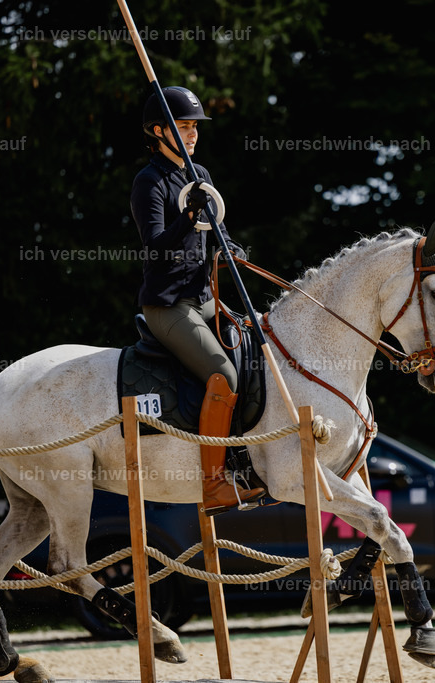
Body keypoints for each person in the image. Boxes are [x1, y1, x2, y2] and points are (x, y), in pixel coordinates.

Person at [130, 85, 264, 514]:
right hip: (167, 305)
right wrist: (189, 216)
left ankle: (244, 458)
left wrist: (230, 248)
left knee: (254, 355)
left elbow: (216, 228)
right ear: (158, 131)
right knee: (223, 373)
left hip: (205, 297)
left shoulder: (200, 174)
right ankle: (213, 484)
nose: (192, 134)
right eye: (183, 126)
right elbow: (154, 246)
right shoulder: (148, 182)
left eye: (194, 128)